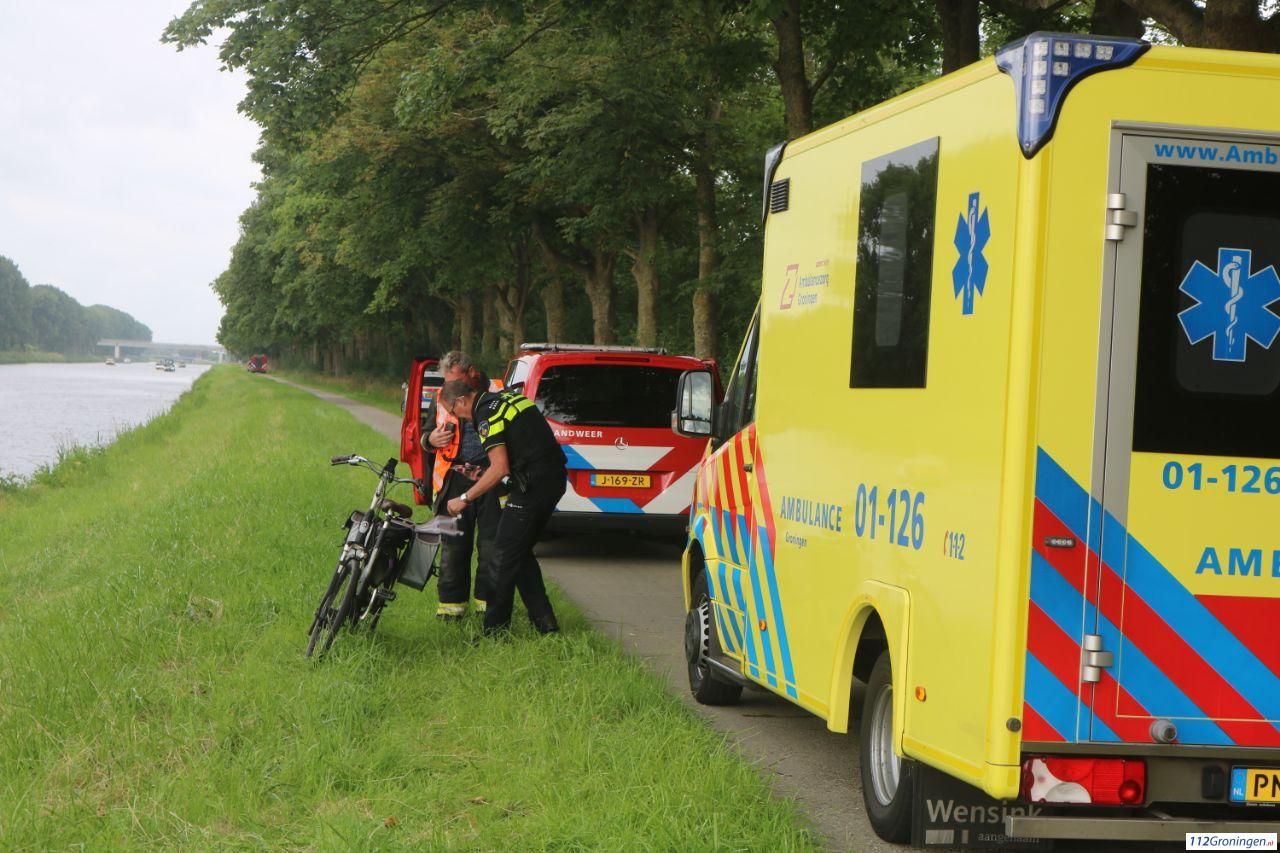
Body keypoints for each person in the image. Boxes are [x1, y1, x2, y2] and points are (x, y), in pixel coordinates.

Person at [440, 379, 564, 636]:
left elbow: (500, 468)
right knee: (519, 552)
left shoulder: (485, 414)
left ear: (461, 401)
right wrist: (482, 476)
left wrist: (464, 497)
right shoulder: (507, 399)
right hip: (552, 479)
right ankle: (546, 624)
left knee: (501, 556)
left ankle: (494, 632)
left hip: (533, 487)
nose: (455, 417)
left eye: (452, 411)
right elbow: (523, 449)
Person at [425, 351, 502, 620]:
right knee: (452, 546)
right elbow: (423, 436)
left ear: (472, 373)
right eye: (448, 382)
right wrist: (430, 440)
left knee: (492, 547)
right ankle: (451, 610)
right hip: (452, 482)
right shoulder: (440, 396)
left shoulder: (501, 391)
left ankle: (488, 610)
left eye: (457, 381)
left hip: (493, 479)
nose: (452, 389)